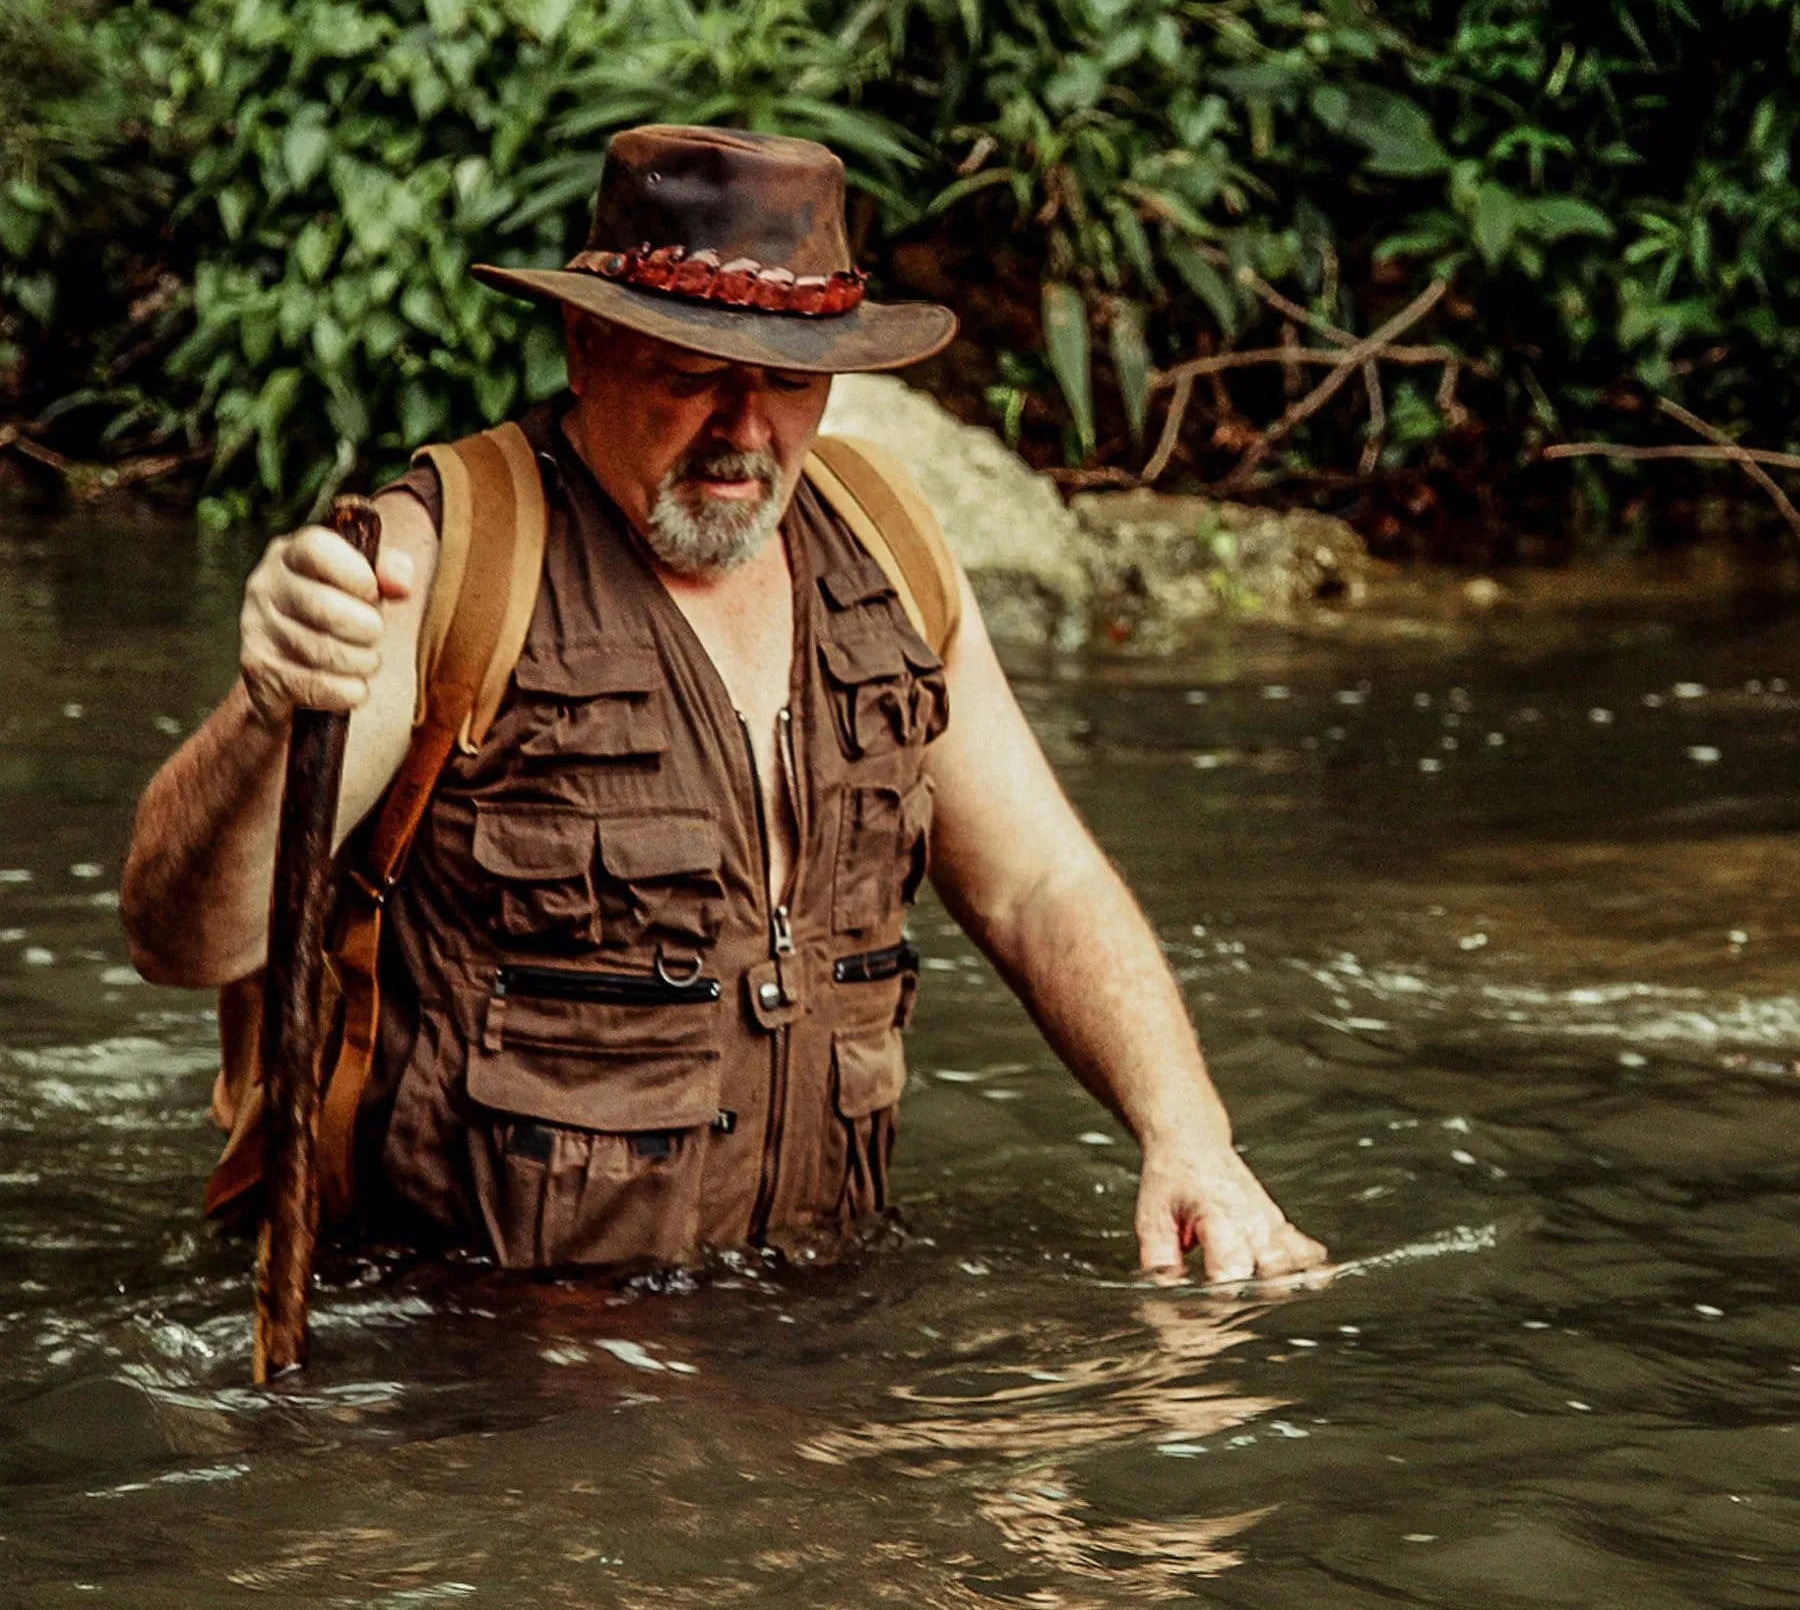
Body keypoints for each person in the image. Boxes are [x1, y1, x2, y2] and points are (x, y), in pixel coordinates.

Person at [121, 125, 1325, 1283]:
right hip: (475, 1364)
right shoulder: (436, 564)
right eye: (696, 375)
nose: (748, 429)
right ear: (585, 348)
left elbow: (1034, 885)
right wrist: (270, 711)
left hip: (811, 1319)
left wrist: (1189, 1138)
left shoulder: (886, 553)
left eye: (793, 382)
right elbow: (187, 941)